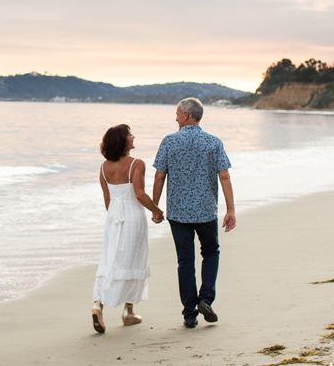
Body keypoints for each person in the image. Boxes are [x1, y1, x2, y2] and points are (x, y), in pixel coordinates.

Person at [152, 98, 235, 328]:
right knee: (210, 253)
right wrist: (230, 209)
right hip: (206, 211)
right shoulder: (213, 142)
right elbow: (224, 176)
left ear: (187, 115)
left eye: (178, 113)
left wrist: (156, 207)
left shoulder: (169, 142)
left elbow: (159, 176)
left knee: (185, 261)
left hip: (178, 214)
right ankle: (206, 299)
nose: (175, 117)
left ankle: (189, 314)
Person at [92, 124, 165, 334]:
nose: (133, 137)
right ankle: (128, 311)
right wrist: (157, 211)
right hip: (133, 217)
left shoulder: (103, 167)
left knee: (109, 259)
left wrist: (114, 217)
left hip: (113, 219)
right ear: (123, 141)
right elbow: (140, 195)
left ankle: (98, 305)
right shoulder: (136, 164)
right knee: (133, 260)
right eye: (130, 134)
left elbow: (107, 199)